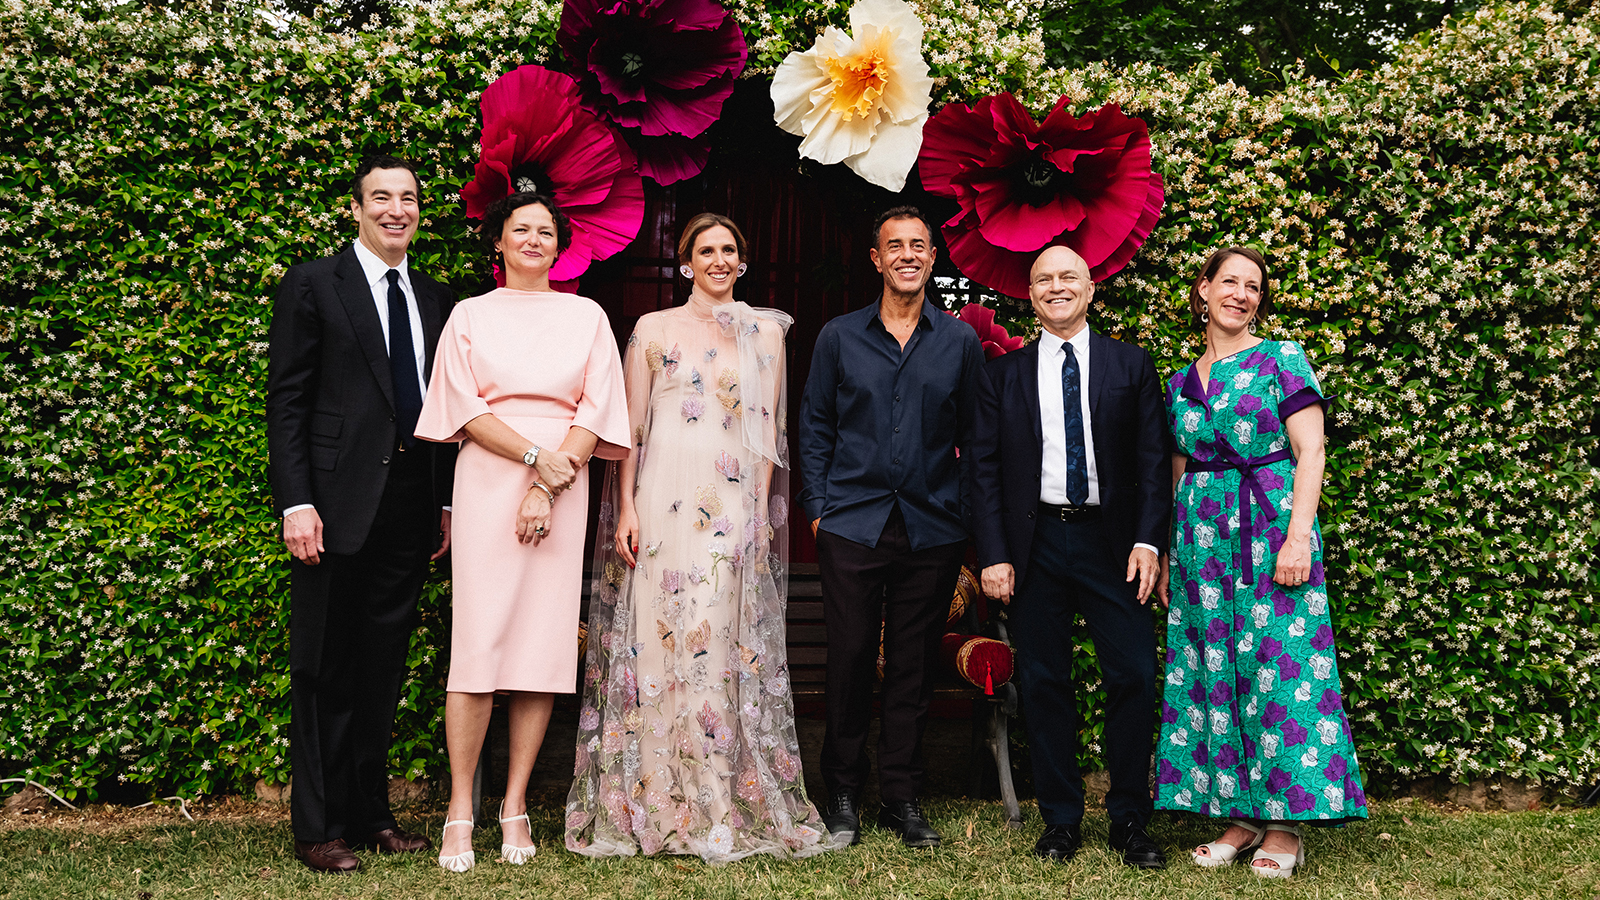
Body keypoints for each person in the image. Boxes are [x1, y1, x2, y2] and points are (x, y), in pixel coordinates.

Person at [565, 213, 835, 862]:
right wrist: (626, 507)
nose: (718, 259)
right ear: (686, 260)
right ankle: (655, 804)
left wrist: (763, 518)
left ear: (742, 261)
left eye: (729, 250)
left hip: (731, 507)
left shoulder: (767, 332)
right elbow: (628, 429)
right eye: (706, 250)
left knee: (715, 645)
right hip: (658, 503)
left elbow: (768, 434)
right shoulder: (652, 330)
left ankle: (716, 804)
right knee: (654, 649)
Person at [414, 192, 630, 872]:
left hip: (564, 481)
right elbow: (461, 406)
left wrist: (547, 482)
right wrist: (532, 461)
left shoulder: (586, 315)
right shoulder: (470, 315)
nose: (533, 239)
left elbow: (596, 407)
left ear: (559, 245)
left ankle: (513, 804)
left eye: (545, 231)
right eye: (521, 230)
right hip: (487, 479)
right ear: (499, 244)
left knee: (541, 648)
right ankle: (459, 810)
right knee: (477, 645)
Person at [266, 155, 456, 874]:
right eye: (381, 197)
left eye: (407, 198)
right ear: (356, 208)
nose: (396, 209)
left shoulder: (434, 296)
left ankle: (370, 815)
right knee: (321, 669)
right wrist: (297, 501)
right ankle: (318, 828)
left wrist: (442, 502)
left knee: (381, 670)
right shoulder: (315, 283)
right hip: (332, 509)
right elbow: (287, 399)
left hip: (408, 512)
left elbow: (440, 407)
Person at [1155, 246, 1368, 878]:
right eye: (1229, 282)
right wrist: (1172, 555)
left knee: (1281, 669)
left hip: (1269, 531)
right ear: (1203, 290)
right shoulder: (1179, 383)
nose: (1241, 294)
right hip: (1202, 545)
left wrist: (1298, 536)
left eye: (1253, 287)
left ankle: (1285, 825)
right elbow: (1177, 471)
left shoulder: (1281, 358)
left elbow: (1310, 452)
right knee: (1213, 671)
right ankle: (1241, 816)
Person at [969, 245, 1170, 869]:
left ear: (1090, 289)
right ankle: (1060, 820)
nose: (1056, 286)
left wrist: (1147, 541)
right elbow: (984, 470)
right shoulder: (1002, 375)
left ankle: (1130, 818)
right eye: (1043, 279)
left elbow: (1152, 462)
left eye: (1068, 277)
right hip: (1035, 545)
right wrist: (994, 554)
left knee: (1133, 675)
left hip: (1114, 545)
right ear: (1030, 295)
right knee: (1045, 681)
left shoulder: (1131, 365)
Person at [798, 206, 984, 849]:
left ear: (933, 258)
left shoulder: (959, 342)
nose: (907, 254)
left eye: (919, 245)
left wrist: (962, 515)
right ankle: (844, 794)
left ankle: (902, 796)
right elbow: (816, 426)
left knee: (911, 667)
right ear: (875, 260)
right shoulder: (838, 337)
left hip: (931, 530)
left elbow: (975, 439)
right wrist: (820, 508)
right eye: (893, 245)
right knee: (849, 661)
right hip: (852, 524)